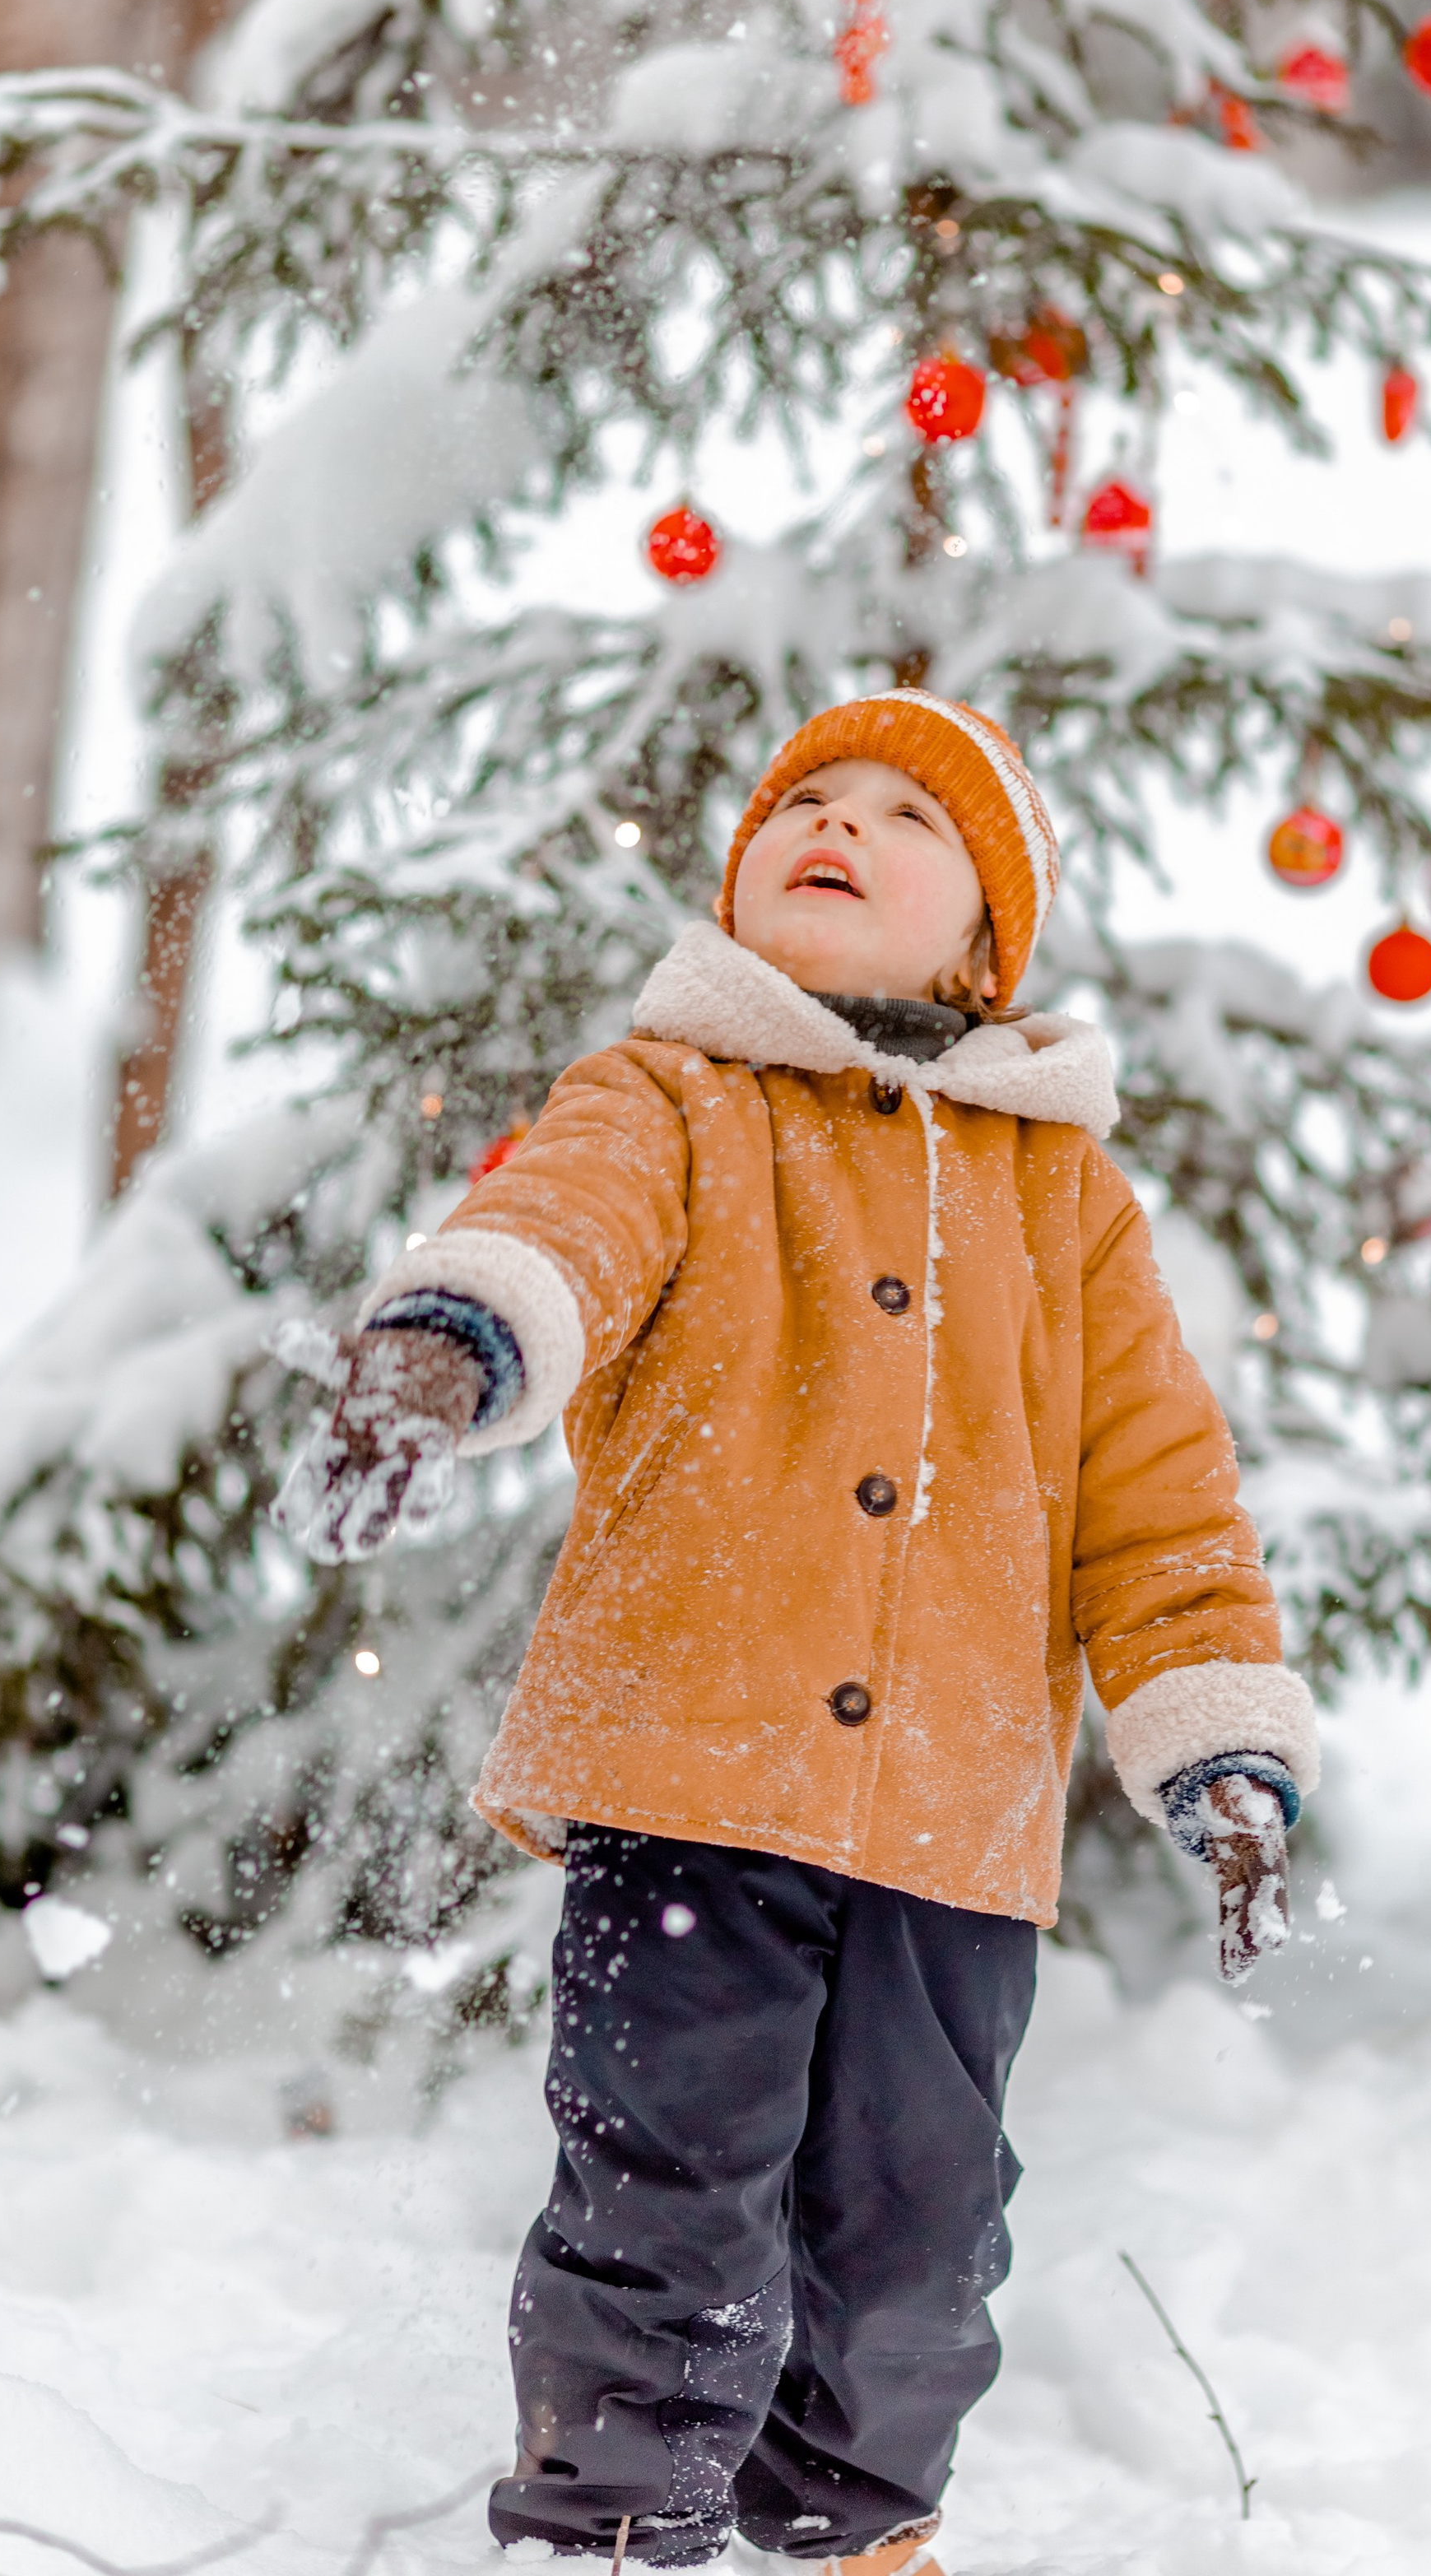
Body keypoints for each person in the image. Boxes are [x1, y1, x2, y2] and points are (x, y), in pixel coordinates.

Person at [284, 691, 1318, 2576]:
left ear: (986, 941)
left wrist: (1216, 1740)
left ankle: (848, 2533)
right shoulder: (670, 1097)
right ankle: (606, 2527)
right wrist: (454, 1344)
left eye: (902, 820)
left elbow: (1159, 1504)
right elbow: (562, 1229)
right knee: (664, 2185)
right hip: (688, 1764)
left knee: (919, 2228)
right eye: (802, 802)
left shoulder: (1065, 1201)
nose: (833, 824)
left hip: (951, 1824)